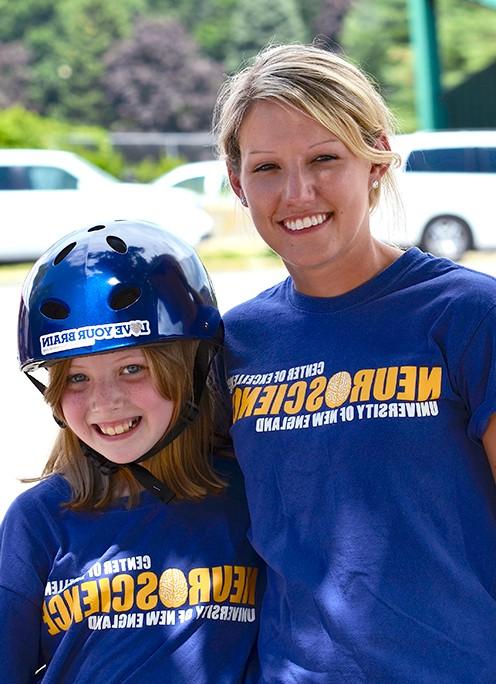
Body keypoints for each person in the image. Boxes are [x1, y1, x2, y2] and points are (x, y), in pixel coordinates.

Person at [213, 43, 496, 683]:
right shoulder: (233, 345)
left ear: (375, 160)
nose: (297, 192)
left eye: (324, 158)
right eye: (266, 168)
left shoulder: (470, 315)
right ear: (238, 183)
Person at [0, 219, 263, 683]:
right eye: (76, 377)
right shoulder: (38, 520)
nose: (104, 402)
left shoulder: (251, 496)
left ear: (193, 369)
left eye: (132, 368)